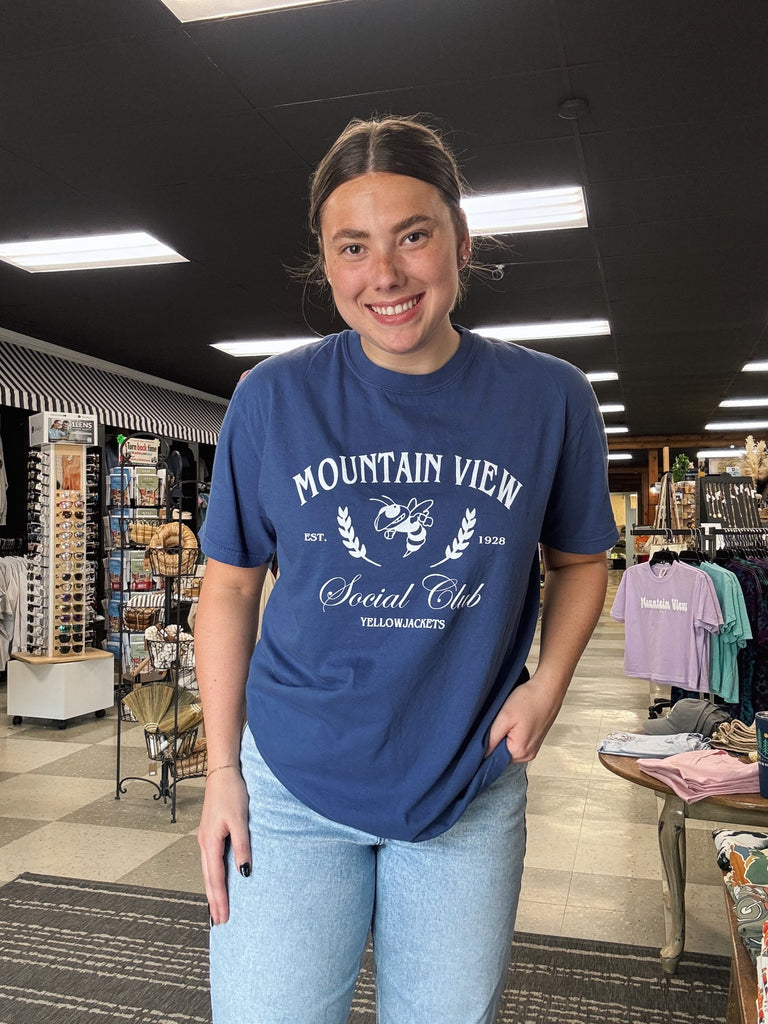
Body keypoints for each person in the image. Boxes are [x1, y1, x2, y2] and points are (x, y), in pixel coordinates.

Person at [196, 114, 618, 1024]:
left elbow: (583, 560)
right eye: (353, 247)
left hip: (467, 780)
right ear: (326, 260)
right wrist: (221, 770)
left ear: (461, 242)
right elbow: (229, 587)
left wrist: (547, 686)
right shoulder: (273, 398)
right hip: (291, 784)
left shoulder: (550, 400)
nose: (384, 275)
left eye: (413, 236)